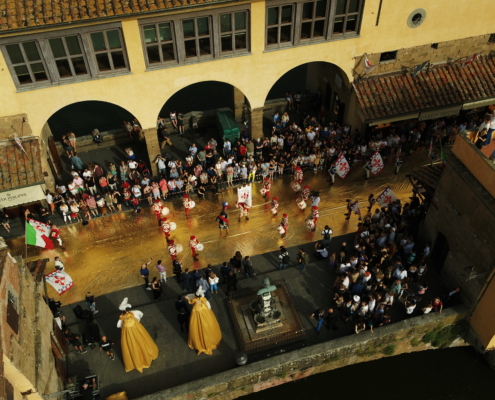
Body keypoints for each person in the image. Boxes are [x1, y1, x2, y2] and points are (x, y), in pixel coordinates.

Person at [117, 298, 159, 372]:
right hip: (133, 331)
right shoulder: (129, 316)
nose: (125, 314)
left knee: (134, 345)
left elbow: (119, 325)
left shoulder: (128, 317)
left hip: (131, 332)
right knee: (138, 343)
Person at [187, 288, 222, 355]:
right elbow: (207, 304)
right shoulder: (202, 299)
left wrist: (188, 298)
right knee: (208, 324)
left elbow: (190, 302)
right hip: (204, 312)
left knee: (196, 327)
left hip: (197, 314)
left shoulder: (195, 300)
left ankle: (200, 344)